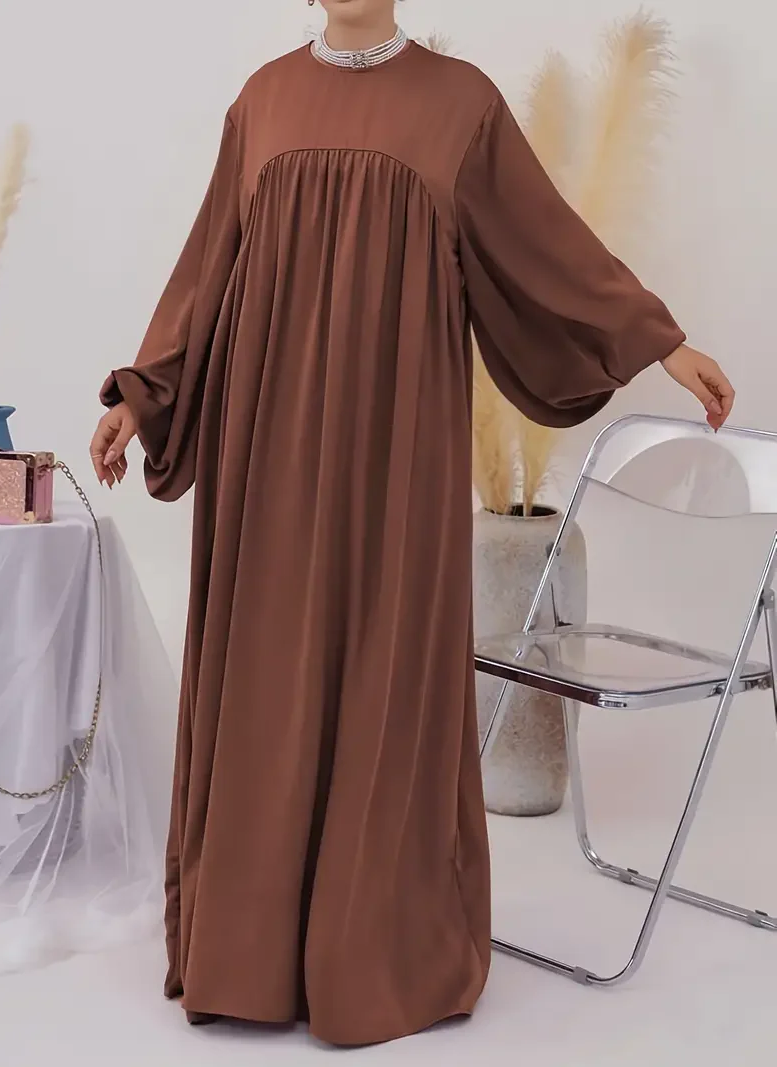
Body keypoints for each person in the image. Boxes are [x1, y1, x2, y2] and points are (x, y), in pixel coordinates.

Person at [89, 0, 735, 1047]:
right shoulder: (263, 100)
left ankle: (368, 951)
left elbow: (550, 250)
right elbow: (207, 270)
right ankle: (250, 953)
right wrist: (142, 397)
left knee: (384, 671)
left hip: (396, 455)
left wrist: (659, 340)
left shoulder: (460, 105)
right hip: (265, 456)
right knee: (269, 670)